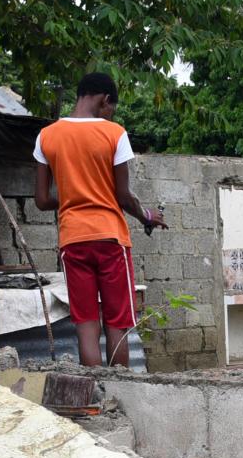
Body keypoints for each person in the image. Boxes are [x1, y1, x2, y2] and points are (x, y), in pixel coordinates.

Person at [32, 71, 166, 367]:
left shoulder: (47, 136)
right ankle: (121, 393)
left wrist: (72, 195)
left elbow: (42, 200)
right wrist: (147, 216)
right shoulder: (114, 134)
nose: (110, 115)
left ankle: (95, 396)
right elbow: (123, 196)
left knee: (86, 325)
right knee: (117, 322)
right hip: (110, 240)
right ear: (105, 100)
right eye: (111, 109)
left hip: (73, 241)